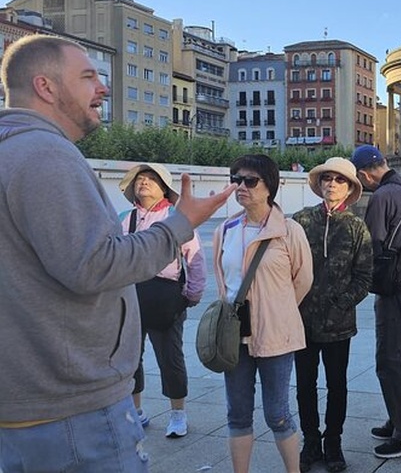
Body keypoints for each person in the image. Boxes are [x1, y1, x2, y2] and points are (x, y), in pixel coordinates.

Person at [0, 34, 234, 472]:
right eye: (88, 77)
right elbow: (94, 264)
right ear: (46, 87)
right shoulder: (47, 156)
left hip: (27, 406)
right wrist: (181, 224)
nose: (102, 89)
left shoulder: (12, 150)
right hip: (72, 411)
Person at [212, 154, 314, 473]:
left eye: (250, 180)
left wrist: (277, 311)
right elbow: (222, 283)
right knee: (238, 413)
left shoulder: (289, 231)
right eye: (236, 179)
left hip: (276, 337)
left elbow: (303, 279)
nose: (241, 186)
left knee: (278, 413)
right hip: (234, 338)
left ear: (269, 186)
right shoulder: (225, 230)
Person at [351, 144, 401, 459]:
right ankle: (399, 419)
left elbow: (370, 246)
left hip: (393, 287)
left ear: (363, 173)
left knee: (388, 360)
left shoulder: (382, 196)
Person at [292, 157, 373, 472]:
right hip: (302, 322)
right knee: (304, 385)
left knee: (337, 384)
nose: (331, 184)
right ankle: (310, 442)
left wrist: (344, 301)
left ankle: (333, 441)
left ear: (350, 187)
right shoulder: (300, 221)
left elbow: (364, 276)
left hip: (339, 324)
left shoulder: (356, 227)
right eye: (327, 178)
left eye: (339, 180)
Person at [118, 163, 206, 438]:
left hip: (166, 297)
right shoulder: (126, 218)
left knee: (170, 358)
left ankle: (177, 413)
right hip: (131, 296)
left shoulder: (174, 217)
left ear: (164, 189)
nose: (143, 183)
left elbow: (195, 259)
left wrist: (191, 295)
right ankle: (136, 412)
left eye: (151, 180)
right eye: (140, 179)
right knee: (130, 357)